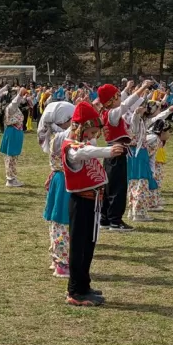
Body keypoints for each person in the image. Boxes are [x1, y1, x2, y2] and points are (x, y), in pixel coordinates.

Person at [62, 101, 126, 306]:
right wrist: (107, 152)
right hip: (81, 201)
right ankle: (74, 291)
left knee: (88, 245)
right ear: (80, 129)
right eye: (89, 132)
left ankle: (84, 285)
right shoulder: (71, 146)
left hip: (93, 201)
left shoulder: (86, 144)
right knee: (79, 246)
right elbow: (81, 153)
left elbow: (89, 148)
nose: (92, 136)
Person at [98, 80, 152, 232]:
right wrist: (142, 87)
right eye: (117, 97)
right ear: (112, 100)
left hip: (111, 153)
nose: (120, 99)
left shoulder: (106, 112)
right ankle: (115, 220)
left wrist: (128, 89)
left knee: (109, 187)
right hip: (116, 153)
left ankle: (105, 218)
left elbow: (123, 102)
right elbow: (126, 103)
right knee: (118, 188)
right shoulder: (113, 114)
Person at [39, 101, 75, 278]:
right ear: (64, 121)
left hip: (60, 180)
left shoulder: (58, 134)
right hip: (63, 182)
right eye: (72, 119)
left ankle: (57, 259)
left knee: (59, 223)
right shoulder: (60, 136)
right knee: (61, 222)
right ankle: (61, 262)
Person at [0, 87, 28, 188]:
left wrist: (23, 96)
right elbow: (15, 102)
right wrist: (20, 94)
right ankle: (10, 179)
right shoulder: (11, 107)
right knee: (10, 156)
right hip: (12, 133)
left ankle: (12, 177)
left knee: (13, 157)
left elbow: (19, 102)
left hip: (16, 132)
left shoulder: (14, 108)